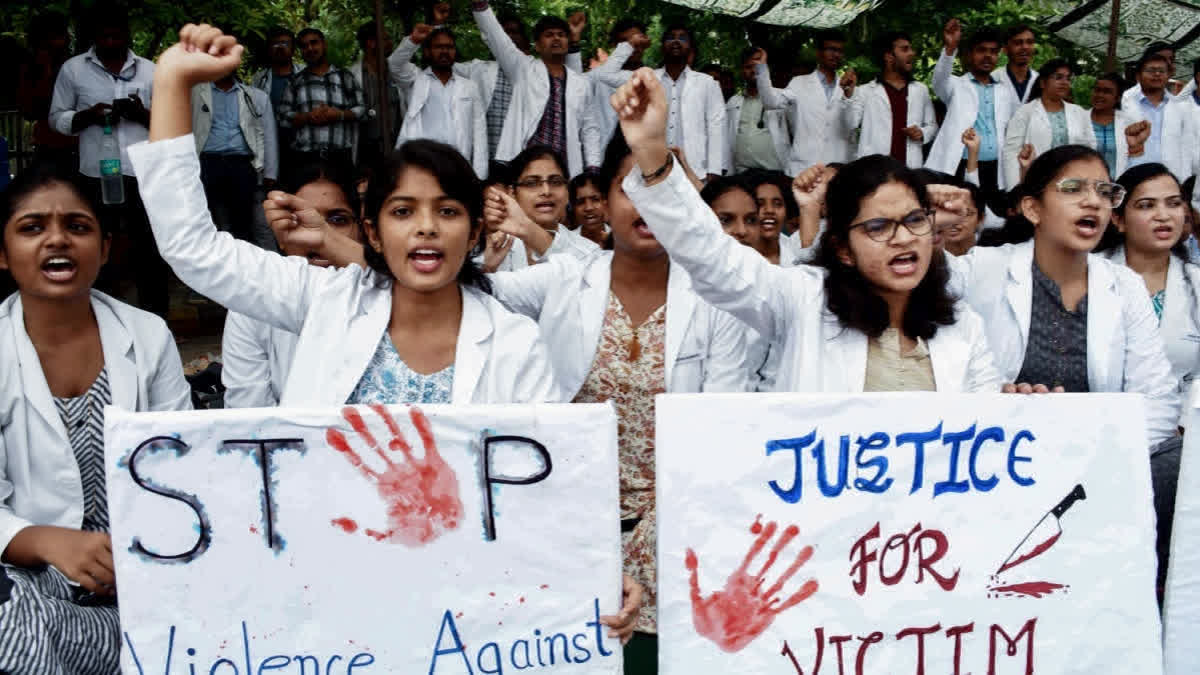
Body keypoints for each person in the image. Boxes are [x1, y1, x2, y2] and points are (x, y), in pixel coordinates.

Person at [134, 24, 563, 409]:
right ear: (373, 234)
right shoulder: (328, 300)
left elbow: (545, 475)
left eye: (448, 211)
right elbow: (194, 250)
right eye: (403, 211)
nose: (427, 226)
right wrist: (172, 80)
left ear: (474, 235)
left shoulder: (515, 341)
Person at [485, 133, 749, 672]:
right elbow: (460, 293)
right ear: (602, 204)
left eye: (667, 188)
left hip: (675, 533)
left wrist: (651, 548)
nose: (651, 204)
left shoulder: (715, 301)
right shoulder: (565, 278)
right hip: (570, 529)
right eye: (633, 188)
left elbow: (721, 432)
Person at [609, 67, 1002, 394]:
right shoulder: (803, 300)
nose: (902, 238)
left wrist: (1026, 407)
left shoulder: (963, 325)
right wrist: (650, 150)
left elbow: (991, 428)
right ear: (843, 249)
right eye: (879, 226)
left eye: (914, 221)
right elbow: (709, 253)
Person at [0, 161, 192, 674]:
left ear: (105, 249)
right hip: (34, 589)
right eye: (33, 227)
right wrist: (47, 541)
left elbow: (184, 470)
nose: (57, 240)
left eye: (78, 227)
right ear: (2, 253)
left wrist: (143, 555)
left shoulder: (146, 335)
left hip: (147, 582)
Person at [942, 145, 1179, 445]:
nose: (1093, 201)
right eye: (1072, 188)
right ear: (1032, 209)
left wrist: (1087, 453)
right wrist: (929, 214)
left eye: (1105, 192)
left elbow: (1158, 401)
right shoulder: (982, 268)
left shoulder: (1125, 285)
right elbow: (915, 281)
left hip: (1096, 459)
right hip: (995, 455)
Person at [48, 2, 169, 318]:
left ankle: (157, 317)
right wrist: (86, 116)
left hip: (143, 172)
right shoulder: (74, 70)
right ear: (95, 37)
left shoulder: (150, 70)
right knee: (96, 245)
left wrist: (140, 113)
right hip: (96, 173)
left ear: (127, 35)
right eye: (105, 36)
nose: (112, 42)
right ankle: (96, 318)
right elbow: (56, 118)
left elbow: (169, 123)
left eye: (118, 35)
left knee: (150, 249)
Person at [222, 160, 362, 408]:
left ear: (364, 231)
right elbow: (250, 419)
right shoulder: (250, 306)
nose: (319, 237)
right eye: (301, 221)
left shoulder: (394, 297)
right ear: (281, 236)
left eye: (338, 220)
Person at [471, 3, 629, 177]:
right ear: (537, 45)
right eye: (549, 35)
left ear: (567, 43)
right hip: (520, 163)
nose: (556, 38)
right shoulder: (522, 68)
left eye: (561, 35)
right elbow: (496, 37)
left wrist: (593, 167)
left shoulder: (580, 83)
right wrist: (481, 6)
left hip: (563, 169)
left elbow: (590, 128)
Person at [927, 19, 1017, 217]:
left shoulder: (1003, 91)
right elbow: (939, 79)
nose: (987, 56)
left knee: (991, 220)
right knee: (956, 216)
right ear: (969, 54)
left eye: (993, 51)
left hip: (994, 166)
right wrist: (950, 47)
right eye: (981, 50)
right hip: (959, 164)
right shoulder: (955, 85)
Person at [191, 59, 279, 245]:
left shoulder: (254, 96)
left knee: (243, 221)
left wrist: (270, 172)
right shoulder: (195, 94)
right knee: (211, 220)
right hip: (208, 163)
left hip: (241, 164)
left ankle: (242, 266)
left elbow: (268, 134)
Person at [480, 145, 600, 270]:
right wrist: (487, 269)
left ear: (567, 192)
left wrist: (528, 230)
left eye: (556, 182)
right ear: (512, 193)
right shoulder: (492, 248)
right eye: (531, 183)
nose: (546, 191)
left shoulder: (589, 252)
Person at [390, 25, 488, 177]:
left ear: (455, 51)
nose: (444, 51)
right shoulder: (415, 80)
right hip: (423, 163)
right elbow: (394, 65)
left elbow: (479, 133)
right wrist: (413, 40)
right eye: (438, 47)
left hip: (459, 165)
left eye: (449, 47)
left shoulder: (469, 86)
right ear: (428, 51)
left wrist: (480, 176)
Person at [754, 30, 858, 173]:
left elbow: (852, 125)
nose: (836, 55)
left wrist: (847, 96)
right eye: (831, 49)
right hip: (804, 167)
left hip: (838, 168)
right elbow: (771, 102)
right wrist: (761, 68)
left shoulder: (849, 87)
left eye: (840, 51)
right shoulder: (799, 83)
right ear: (818, 53)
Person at [276, 28, 364, 171]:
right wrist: (307, 117)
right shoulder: (295, 82)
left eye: (314, 43)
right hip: (305, 157)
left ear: (324, 45)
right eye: (304, 46)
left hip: (340, 156)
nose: (310, 48)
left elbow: (361, 110)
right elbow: (282, 117)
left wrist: (338, 115)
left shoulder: (344, 77)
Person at [848, 32, 939, 169]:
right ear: (889, 57)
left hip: (910, 169)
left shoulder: (921, 90)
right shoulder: (865, 91)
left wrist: (922, 133)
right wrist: (848, 95)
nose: (912, 53)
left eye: (911, 48)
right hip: (875, 169)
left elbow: (933, 126)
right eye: (904, 49)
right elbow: (850, 124)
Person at [1002, 59, 1096, 188]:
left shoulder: (1079, 113)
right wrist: (1015, 189)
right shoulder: (1025, 112)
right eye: (1058, 77)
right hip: (1037, 180)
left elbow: (1090, 148)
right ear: (1042, 83)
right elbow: (1011, 152)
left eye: (1068, 78)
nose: (1064, 82)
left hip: (1073, 180)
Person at [652, 24, 727, 182]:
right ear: (662, 47)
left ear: (691, 48)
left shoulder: (707, 83)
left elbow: (716, 127)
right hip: (653, 168)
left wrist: (714, 170)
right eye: (671, 37)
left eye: (683, 38)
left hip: (695, 170)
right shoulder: (648, 79)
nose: (676, 41)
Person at [582, 19, 651, 171]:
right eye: (626, 42)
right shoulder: (598, 76)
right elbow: (575, 83)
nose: (633, 46)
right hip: (605, 161)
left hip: (643, 161)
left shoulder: (654, 78)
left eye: (637, 40)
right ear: (616, 46)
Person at [1125, 52, 1198, 183]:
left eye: (1162, 71)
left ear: (1169, 75)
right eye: (1151, 70)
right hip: (1132, 177)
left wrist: (1185, 182)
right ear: (1138, 76)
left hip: (1170, 179)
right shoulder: (1124, 104)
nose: (1157, 74)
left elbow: (1187, 149)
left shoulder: (1181, 108)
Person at [17, 12, 77, 171]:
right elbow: (29, 111)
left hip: (80, 146)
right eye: (61, 34)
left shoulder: (75, 65)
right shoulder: (30, 68)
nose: (67, 38)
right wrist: (46, 71)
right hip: (49, 147)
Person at [726, 48, 791, 174]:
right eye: (748, 67)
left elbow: (771, 101)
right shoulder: (733, 102)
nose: (754, 70)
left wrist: (763, 72)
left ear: (766, 69)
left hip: (775, 172)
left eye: (758, 66)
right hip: (742, 172)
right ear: (742, 71)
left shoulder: (782, 96)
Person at [351, 21, 404, 168]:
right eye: (386, 39)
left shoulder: (397, 71)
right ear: (371, 43)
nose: (390, 43)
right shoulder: (352, 75)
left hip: (396, 145)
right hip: (367, 150)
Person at [1089, 72, 1149, 178]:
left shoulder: (1130, 122)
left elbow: (1139, 155)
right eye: (1097, 90)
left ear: (1117, 98)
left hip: (1121, 184)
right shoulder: (1079, 118)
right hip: (1087, 184)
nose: (1099, 95)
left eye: (1107, 92)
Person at [995, 25, 1039, 108]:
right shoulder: (994, 79)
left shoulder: (1040, 81)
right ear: (1005, 49)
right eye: (1018, 43)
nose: (1025, 47)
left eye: (1029, 42)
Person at [568, 172, 609, 245]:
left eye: (595, 199)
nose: (588, 208)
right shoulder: (567, 243)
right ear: (573, 207)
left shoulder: (622, 241)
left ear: (606, 202)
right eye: (580, 202)